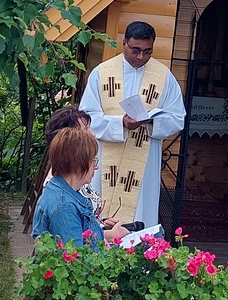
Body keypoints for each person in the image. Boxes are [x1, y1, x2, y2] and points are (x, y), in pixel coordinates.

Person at [79, 21, 186, 230]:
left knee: (140, 210)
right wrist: (121, 123)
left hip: (143, 161)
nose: (141, 57)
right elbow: (86, 118)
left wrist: (152, 121)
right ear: (124, 43)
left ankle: (138, 248)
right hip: (106, 157)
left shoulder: (164, 77)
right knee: (100, 208)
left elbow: (177, 118)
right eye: (135, 50)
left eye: (147, 52)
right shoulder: (102, 73)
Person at [30, 126, 127, 245]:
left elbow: (81, 236)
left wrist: (107, 233)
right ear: (78, 165)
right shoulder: (64, 207)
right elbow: (75, 253)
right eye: (93, 161)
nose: (96, 167)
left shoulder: (59, 190)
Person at [20, 106, 105, 234]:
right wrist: (108, 234)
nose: (93, 134)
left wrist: (100, 224)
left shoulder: (71, 178)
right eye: (86, 129)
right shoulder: (62, 197)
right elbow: (72, 241)